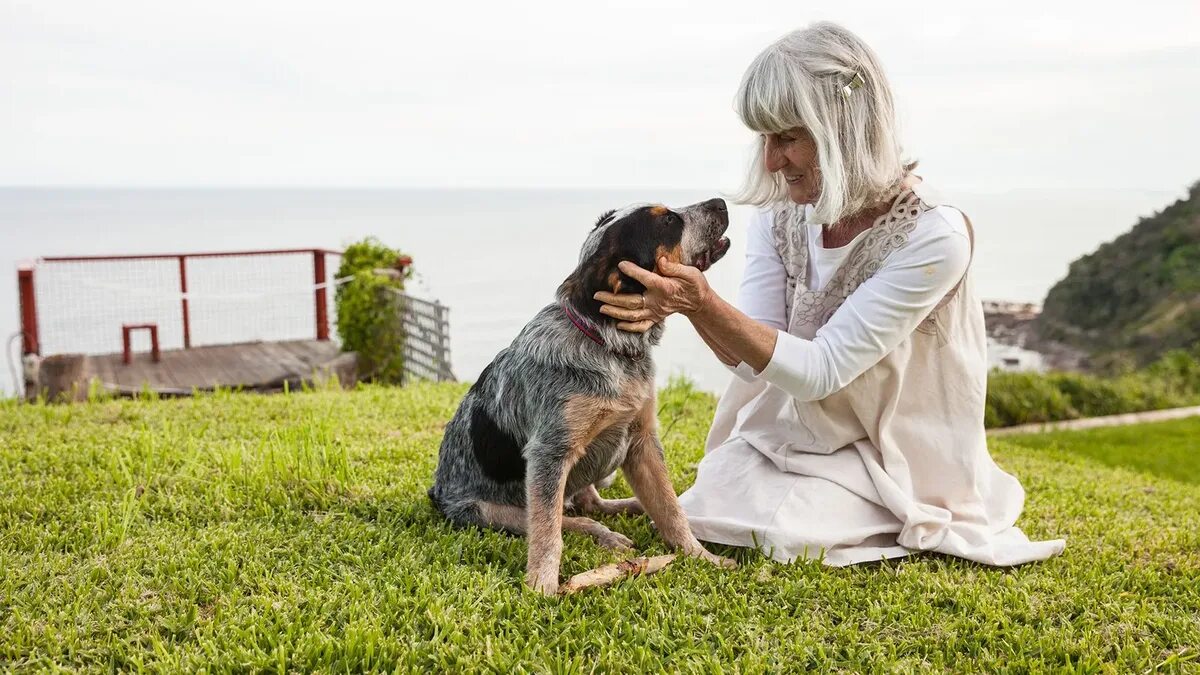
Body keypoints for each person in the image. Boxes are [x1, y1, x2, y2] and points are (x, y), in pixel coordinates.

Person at [593, 21, 1065, 566]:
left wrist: (700, 303)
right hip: (790, 432)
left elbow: (821, 372)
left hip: (890, 451)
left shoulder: (934, 236)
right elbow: (751, 364)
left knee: (779, 532)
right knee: (717, 504)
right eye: (764, 139)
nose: (771, 162)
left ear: (845, 128)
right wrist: (693, 307)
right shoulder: (782, 216)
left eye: (787, 138)